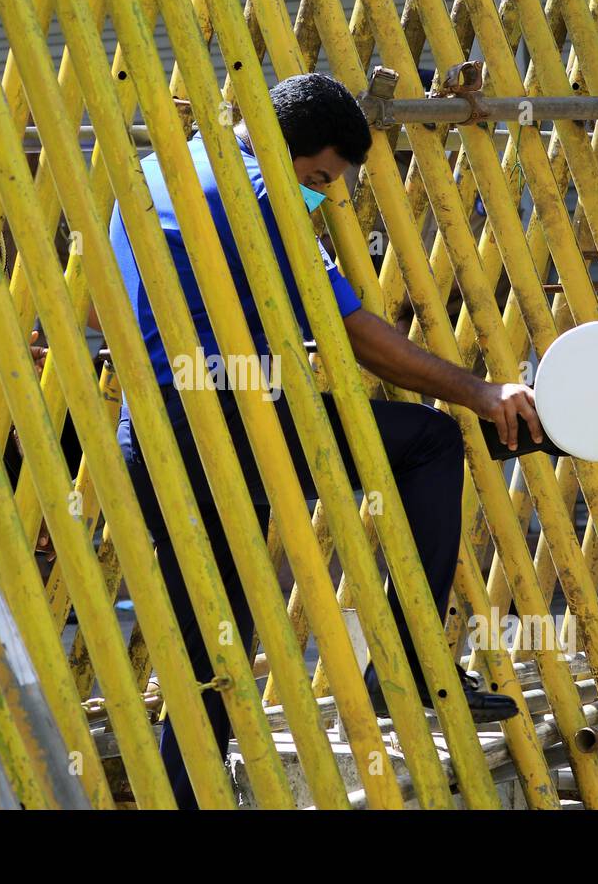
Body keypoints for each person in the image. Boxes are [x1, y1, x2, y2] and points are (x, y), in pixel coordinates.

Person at [111, 72, 543, 808]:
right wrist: (478, 390)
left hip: (154, 431)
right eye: (318, 178)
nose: (319, 196)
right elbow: (351, 332)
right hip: (227, 422)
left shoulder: (168, 165)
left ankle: (187, 798)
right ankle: (407, 657)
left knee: (211, 638)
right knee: (433, 440)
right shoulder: (258, 195)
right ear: (287, 152)